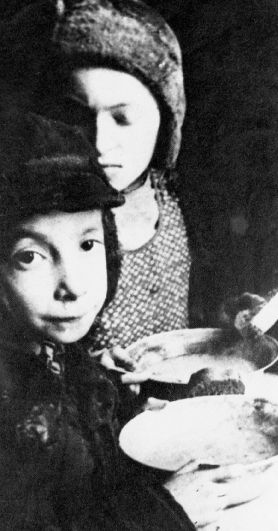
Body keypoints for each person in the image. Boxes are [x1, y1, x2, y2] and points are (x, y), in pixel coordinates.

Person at [0, 111, 196, 531]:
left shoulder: (54, 350)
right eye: (30, 257)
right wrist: (163, 511)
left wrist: (115, 404)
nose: (72, 284)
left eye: (88, 244)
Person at [0, 0, 192, 356]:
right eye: (76, 115)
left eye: (122, 119)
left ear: (165, 121)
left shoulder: (176, 200)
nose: (100, 144)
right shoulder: (43, 219)